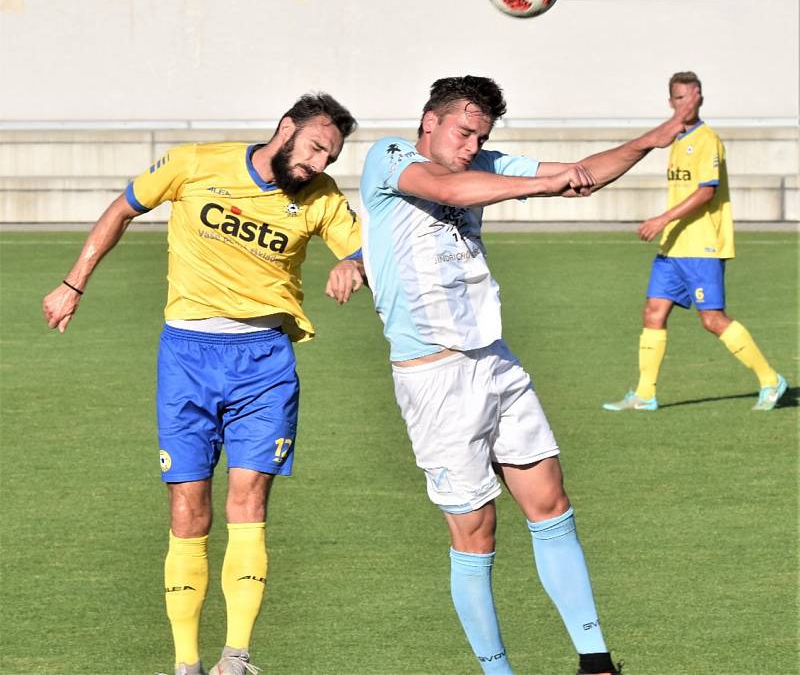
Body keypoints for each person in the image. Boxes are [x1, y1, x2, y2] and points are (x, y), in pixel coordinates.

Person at [358, 75, 700, 675]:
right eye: (464, 132)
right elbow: (450, 187)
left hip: (494, 360)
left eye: (481, 136)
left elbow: (583, 169)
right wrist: (542, 183)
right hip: (433, 376)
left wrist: (653, 138)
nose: (471, 145)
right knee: (476, 531)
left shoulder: (487, 162)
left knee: (551, 503)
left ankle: (596, 662)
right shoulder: (389, 157)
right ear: (429, 120)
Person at [42, 93, 365, 675]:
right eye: (316, 147)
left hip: (265, 361)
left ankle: (235, 658)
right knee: (188, 508)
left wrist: (353, 264)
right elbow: (120, 210)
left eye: (331, 157)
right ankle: (186, 664)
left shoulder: (320, 199)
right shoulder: (194, 163)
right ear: (286, 129)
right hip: (187, 356)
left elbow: (364, 250)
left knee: (249, 501)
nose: (319, 164)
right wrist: (73, 283)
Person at [603, 72, 787, 413]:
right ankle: (645, 395)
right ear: (670, 101)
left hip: (702, 245)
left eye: (689, 97)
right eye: (677, 98)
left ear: (699, 98)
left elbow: (706, 191)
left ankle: (770, 380)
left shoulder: (707, 140)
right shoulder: (675, 140)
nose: (683, 103)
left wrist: (661, 219)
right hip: (673, 247)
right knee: (653, 313)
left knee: (712, 320)